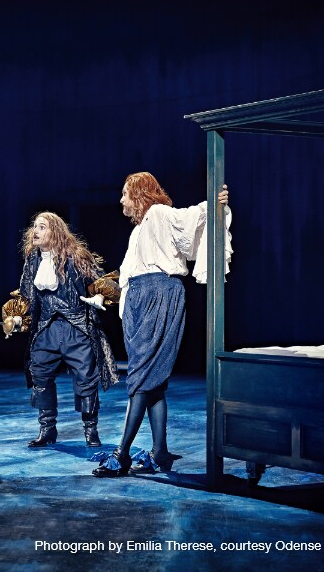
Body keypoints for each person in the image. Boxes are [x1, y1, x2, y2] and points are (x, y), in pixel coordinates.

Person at [92, 172, 231, 477]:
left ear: (139, 194)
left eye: (125, 194)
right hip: (141, 298)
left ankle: (122, 453)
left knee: (140, 377)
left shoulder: (157, 213)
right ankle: (160, 452)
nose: (121, 200)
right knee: (152, 382)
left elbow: (189, 219)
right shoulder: (139, 229)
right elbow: (129, 273)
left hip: (157, 293)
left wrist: (214, 204)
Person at [17, 212, 118, 448]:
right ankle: (47, 430)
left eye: (42, 227)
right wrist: (17, 317)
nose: (35, 231)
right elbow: (26, 296)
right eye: (34, 227)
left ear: (55, 232)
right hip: (46, 328)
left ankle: (90, 430)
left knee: (86, 379)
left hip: (76, 327)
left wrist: (100, 296)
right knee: (39, 374)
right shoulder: (32, 261)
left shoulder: (75, 257)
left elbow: (102, 282)